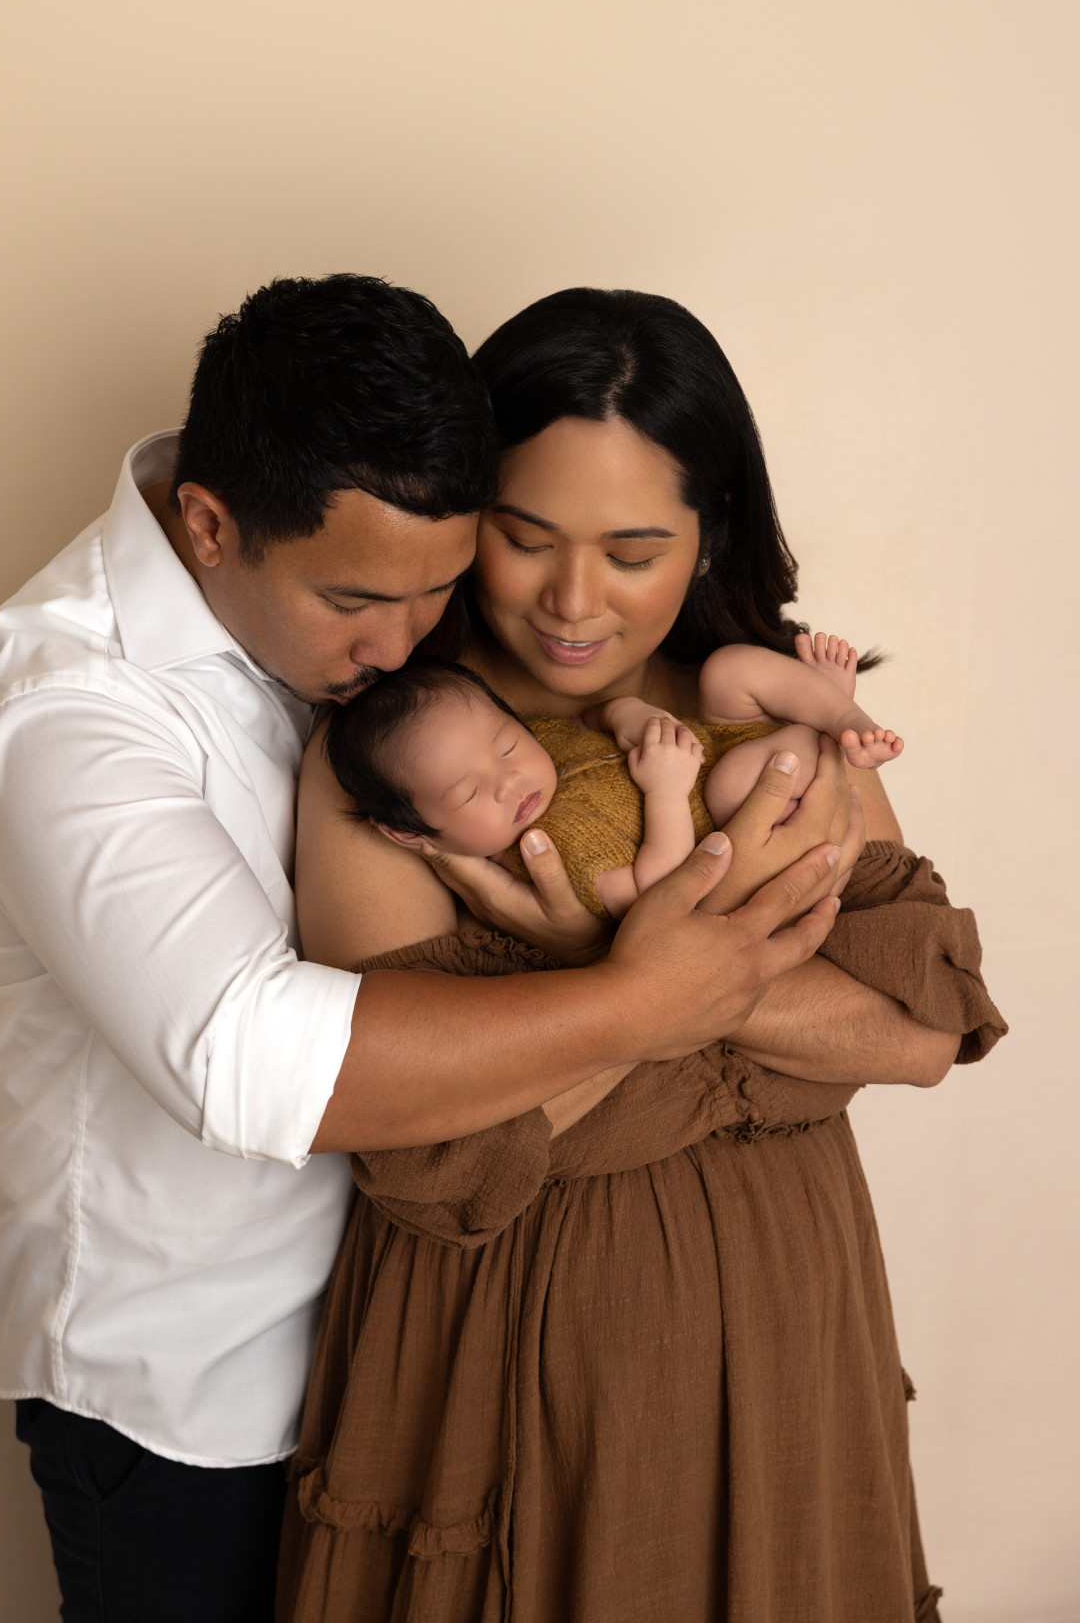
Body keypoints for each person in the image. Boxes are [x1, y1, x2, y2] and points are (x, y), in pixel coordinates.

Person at [0, 274, 856, 1622]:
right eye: (360, 601)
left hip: (411, 1352)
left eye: (439, 589)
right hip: (195, 1395)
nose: (405, 645)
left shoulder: (363, 607)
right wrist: (640, 997)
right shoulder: (67, 706)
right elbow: (248, 1062)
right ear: (209, 525)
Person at [281, 288, 1006, 1623]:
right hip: (500, 1331)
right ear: (464, 516)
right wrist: (709, 993)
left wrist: (588, 975)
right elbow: (430, 1152)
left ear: (708, 534)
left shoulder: (776, 704)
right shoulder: (398, 755)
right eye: (524, 535)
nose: (571, 600)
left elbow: (921, 1032)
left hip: (790, 1308)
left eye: (631, 549)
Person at [323, 629, 901, 917]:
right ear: (413, 832)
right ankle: (824, 730)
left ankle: (841, 715)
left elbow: (587, 716)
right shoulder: (547, 856)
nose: (510, 781)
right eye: (470, 792)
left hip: (715, 734)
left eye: (505, 744)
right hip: (733, 801)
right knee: (731, 784)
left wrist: (627, 712)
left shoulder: (538, 747)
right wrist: (667, 793)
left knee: (728, 670)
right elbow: (657, 889)